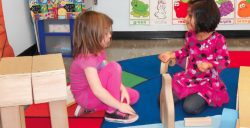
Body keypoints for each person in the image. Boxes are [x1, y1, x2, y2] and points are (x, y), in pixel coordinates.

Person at [158, 0, 230, 115]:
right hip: (190, 77)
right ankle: (190, 92)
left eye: (190, 15)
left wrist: (209, 65)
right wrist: (172, 55)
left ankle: (202, 97)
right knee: (162, 100)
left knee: (189, 108)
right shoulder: (190, 35)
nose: (185, 19)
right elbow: (187, 50)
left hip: (207, 82)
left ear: (203, 18)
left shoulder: (218, 39)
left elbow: (225, 61)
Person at [69, 11, 139, 123]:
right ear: (92, 36)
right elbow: (97, 90)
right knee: (114, 67)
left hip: (95, 92)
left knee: (134, 96)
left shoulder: (99, 50)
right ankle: (112, 112)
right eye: (106, 33)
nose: (110, 35)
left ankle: (94, 108)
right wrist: (119, 106)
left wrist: (121, 88)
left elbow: (105, 72)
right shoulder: (87, 58)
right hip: (86, 97)